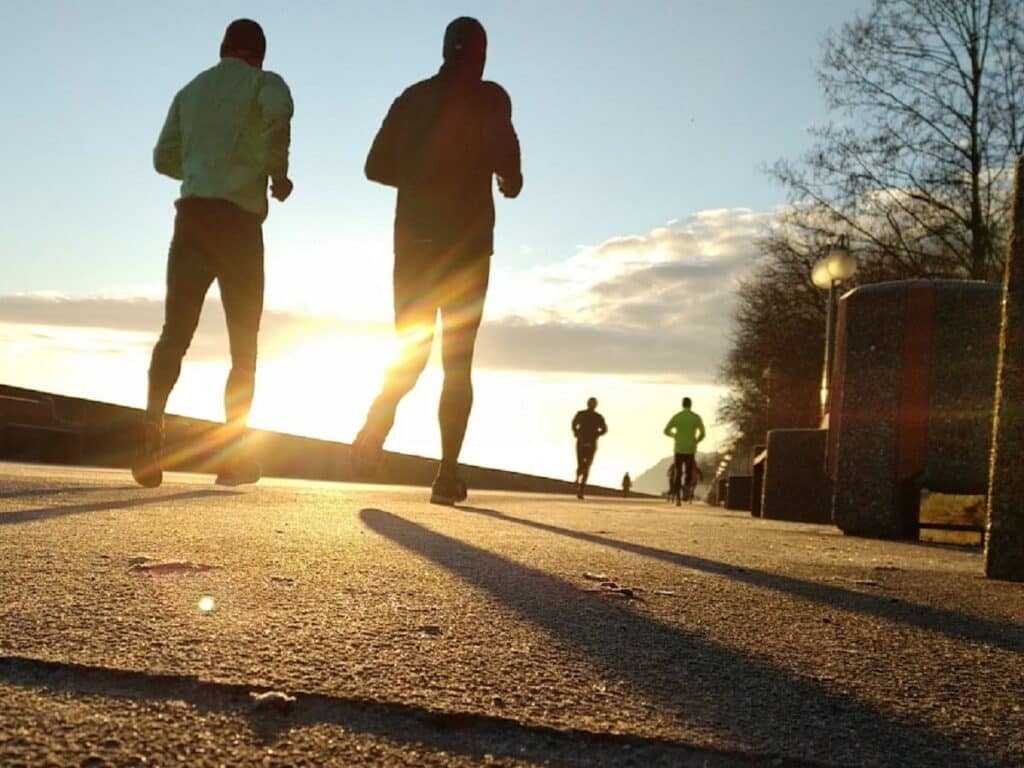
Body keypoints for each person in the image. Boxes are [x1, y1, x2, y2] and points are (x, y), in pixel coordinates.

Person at [351, 17, 522, 506]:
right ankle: (446, 475)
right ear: (482, 54)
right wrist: (504, 180)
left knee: (412, 350)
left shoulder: (410, 98)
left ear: (445, 50)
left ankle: (375, 424)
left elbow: (373, 166)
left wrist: (422, 172)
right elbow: (510, 171)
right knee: (457, 363)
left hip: (414, 247)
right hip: (467, 250)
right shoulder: (492, 99)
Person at [132, 19, 294, 488]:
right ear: (260, 55)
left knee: (175, 333)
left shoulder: (191, 89)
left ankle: (151, 430)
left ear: (222, 48)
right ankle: (232, 458)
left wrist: (203, 164)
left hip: (192, 220)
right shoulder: (267, 84)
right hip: (239, 227)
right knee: (243, 350)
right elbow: (277, 117)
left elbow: (163, 157)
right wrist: (276, 172)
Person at [663, 397, 706, 507]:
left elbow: (666, 430)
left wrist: (675, 435)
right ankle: (686, 489)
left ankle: (677, 497)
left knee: (678, 473)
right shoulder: (696, 417)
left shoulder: (677, 417)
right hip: (690, 448)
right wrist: (696, 441)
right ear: (691, 405)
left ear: (682, 405)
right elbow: (702, 433)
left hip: (678, 448)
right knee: (688, 471)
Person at [572, 397, 607, 499]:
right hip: (591, 442)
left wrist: (576, 432)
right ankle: (581, 487)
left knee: (581, 464)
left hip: (582, 441)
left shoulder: (581, 414)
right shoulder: (598, 417)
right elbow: (604, 429)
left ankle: (578, 480)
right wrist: (597, 434)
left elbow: (574, 424)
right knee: (586, 466)